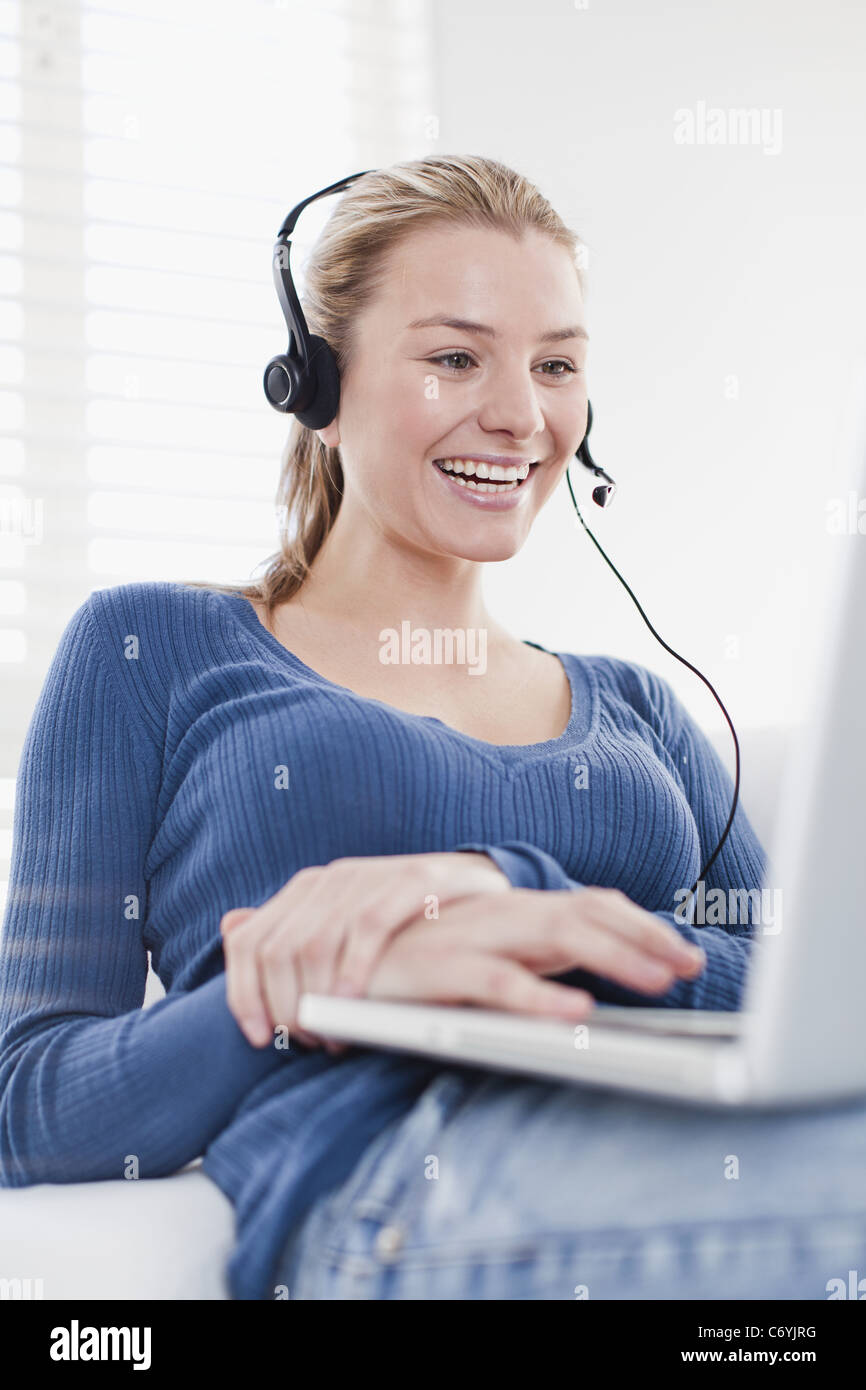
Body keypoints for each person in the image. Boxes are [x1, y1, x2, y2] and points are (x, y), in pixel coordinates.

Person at [1, 155, 864, 1302]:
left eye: (555, 365)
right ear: (316, 383)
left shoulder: (642, 706)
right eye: (455, 357)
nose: (518, 416)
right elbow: (31, 1099)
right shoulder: (154, 648)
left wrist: (505, 899)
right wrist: (306, 994)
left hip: (695, 1129)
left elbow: (804, 986)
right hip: (403, 1175)